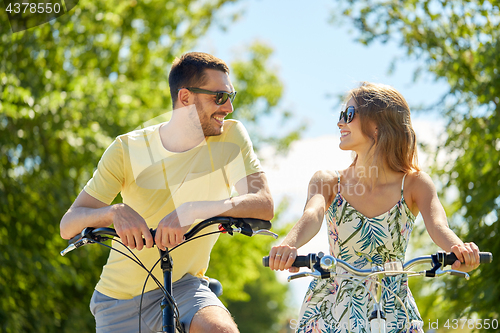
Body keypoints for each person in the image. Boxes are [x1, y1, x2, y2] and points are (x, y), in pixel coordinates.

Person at [60, 52, 274, 333]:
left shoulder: (231, 137)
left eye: (231, 95)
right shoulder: (127, 149)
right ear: (185, 97)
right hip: (118, 302)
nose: (229, 107)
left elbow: (264, 204)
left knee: (220, 330)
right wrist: (114, 212)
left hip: (184, 285)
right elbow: (69, 224)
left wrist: (194, 210)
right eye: (219, 97)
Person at [268, 82, 480, 333]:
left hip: (393, 306)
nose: (340, 123)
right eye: (341, 115)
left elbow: (438, 226)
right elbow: (312, 214)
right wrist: (289, 245)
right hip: (333, 308)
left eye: (349, 115)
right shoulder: (328, 181)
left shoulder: (415, 184)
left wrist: (459, 250)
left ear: (377, 126)